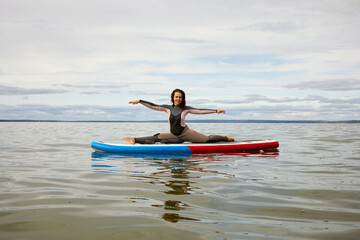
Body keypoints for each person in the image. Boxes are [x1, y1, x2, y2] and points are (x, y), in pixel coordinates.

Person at [122, 89, 235, 144]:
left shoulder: (185, 109)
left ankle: (225, 138)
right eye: (176, 97)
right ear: (172, 98)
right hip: (174, 135)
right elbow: (153, 106)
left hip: (186, 134)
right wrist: (140, 101)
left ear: (182, 99)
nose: (178, 99)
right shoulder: (167, 108)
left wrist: (215, 111)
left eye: (180, 97)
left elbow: (200, 111)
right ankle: (134, 139)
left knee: (207, 140)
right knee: (157, 137)